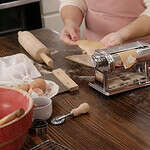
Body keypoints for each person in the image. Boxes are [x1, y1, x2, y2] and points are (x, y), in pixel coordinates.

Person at [59, 0, 150, 48]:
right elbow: (74, 1)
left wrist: (122, 35)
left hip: (139, 56)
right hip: (93, 54)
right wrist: (71, 22)